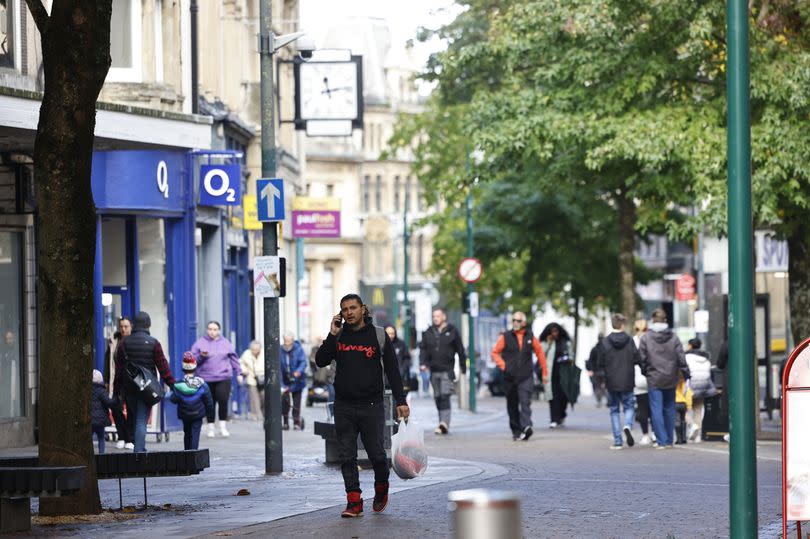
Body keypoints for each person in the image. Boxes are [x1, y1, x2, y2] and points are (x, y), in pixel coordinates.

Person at [315, 293, 409, 518]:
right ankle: (354, 502)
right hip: (344, 405)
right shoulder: (338, 336)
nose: (348, 313)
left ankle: (381, 487)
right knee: (347, 456)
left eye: (353, 308)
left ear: (363, 309)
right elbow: (321, 360)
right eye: (344, 309)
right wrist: (332, 334)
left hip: (372, 405)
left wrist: (401, 401)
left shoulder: (378, 335)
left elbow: (393, 371)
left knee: (377, 454)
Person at [113, 311, 176, 453]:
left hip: (129, 387)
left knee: (135, 417)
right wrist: (172, 384)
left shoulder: (124, 343)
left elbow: (119, 370)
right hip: (147, 388)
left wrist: (116, 391)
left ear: (134, 325)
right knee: (141, 419)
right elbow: (163, 367)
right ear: (148, 325)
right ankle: (139, 451)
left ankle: (139, 446)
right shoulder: (154, 343)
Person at [491, 311, 548, 441]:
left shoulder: (530, 337)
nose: (515, 323)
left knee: (525, 401)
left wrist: (544, 373)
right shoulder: (505, 336)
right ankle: (516, 430)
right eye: (514, 320)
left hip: (525, 376)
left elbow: (540, 354)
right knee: (512, 404)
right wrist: (503, 366)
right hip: (509, 376)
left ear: (524, 323)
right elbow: (495, 353)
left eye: (518, 321)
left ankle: (526, 426)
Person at [638, 308, 690, 449]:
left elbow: (641, 359)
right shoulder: (674, 337)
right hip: (671, 377)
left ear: (653, 320)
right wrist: (686, 374)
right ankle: (668, 439)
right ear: (666, 320)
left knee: (656, 409)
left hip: (654, 378)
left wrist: (646, 372)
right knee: (669, 408)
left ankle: (661, 440)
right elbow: (681, 357)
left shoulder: (646, 338)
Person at [595, 314, 640, 450]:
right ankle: (627, 424)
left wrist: (602, 379)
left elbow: (599, 363)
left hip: (611, 380)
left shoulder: (605, 342)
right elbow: (637, 358)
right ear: (622, 325)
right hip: (627, 379)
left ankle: (618, 441)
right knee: (629, 406)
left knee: (614, 410)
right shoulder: (630, 340)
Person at [419, 307, 467, 434]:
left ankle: (444, 423)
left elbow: (460, 349)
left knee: (445, 395)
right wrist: (422, 363)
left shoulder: (452, 331)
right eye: (434, 316)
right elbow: (423, 350)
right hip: (433, 370)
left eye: (438, 316)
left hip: (447, 370)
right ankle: (442, 423)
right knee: (438, 396)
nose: (435, 318)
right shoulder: (428, 332)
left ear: (444, 317)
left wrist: (463, 367)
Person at [191, 321, 242, 438]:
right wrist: (202, 356)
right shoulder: (200, 343)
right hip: (206, 377)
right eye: (210, 329)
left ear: (219, 330)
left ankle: (223, 426)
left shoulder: (226, 343)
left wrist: (239, 372)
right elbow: (193, 361)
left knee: (223, 401)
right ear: (207, 330)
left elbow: (234, 358)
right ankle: (211, 427)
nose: (212, 331)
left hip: (223, 377)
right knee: (210, 403)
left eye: (215, 329)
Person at [169, 353, 215, 450]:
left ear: (183, 368)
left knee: (187, 433)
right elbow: (209, 401)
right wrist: (210, 414)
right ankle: (193, 453)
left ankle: (187, 454)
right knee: (195, 434)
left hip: (184, 413)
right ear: (195, 367)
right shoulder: (202, 384)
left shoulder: (178, 385)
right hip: (198, 413)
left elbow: (173, 399)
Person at [540, 322, 575, 428]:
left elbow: (571, 355)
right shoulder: (546, 342)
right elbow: (541, 354)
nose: (554, 333)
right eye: (552, 332)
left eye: (556, 331)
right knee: (552, 397)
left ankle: (562, 415)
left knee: (564, 396)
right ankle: (554, 419)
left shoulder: (565, 342)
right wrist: (549, 343)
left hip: (564, 374)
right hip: (551, 374)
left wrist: (569, 360)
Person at [105, 317, 133, 449]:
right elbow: (107, 362)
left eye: (126, 326)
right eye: (121, 326)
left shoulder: (133, 340)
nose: (123, 329)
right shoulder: (114, 342)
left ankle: (128, 438)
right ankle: (122, 436)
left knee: (132, 410)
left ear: (131, 327)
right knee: (115, 408)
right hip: (117, 381)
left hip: (131, 382)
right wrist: (106, 380)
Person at [684, 337, 715, 443]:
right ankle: (698, 436)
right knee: (698, 410)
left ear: (690, 346)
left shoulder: (686, 357)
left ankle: (692, 425)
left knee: (685, 409)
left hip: (691, 386)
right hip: (704, 386)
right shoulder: (705, 358)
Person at [281, 332, 307, 430]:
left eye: (289, 342)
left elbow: (303, 362)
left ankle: (296, 422)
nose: (287, 344)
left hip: (297, 380)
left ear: (292, 341)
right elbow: (278, 365)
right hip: (285, 380)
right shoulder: (280, 350)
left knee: (296, 403)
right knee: (285, 402)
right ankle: (285, 422)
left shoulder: (298, 349)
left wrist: (298, 371)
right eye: (285, 341)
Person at [632, 319, 652, 445]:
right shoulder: (651, 339)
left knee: (642, 408)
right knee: (654, 407)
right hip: (652, 377)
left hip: (637, 379)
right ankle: (656, 433)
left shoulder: (632, 341)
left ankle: (645, 435)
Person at [91, 369, 115, 454]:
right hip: (100, 420)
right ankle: (101, 454)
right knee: (101, 438)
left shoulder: (88, 390)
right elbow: (108, 402)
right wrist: (115, 400)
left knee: (89, 438)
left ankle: (90, 453)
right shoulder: (101, 390)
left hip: (90, 420)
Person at [239, 340, 265, 420]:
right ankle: (257, 415)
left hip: (263, 378)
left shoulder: (264, 353)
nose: (254, 351)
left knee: (263, 397)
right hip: (252, 378)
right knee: (254, 398)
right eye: (253, 349)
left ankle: (264, 413)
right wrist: (244, 371)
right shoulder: (246, 353)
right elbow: (240, 363)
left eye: (256, 350)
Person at [386, 326, 413, 394]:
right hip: (385, 381)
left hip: (399, 379)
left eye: (392, 333)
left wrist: (402, 371)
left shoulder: (401, 344)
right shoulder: (380, 344)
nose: (391, 336)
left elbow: (407, 359)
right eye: (388, 333)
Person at [586, 334, 608, 408]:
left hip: (596, 371)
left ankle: (599, 401)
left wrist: (590, 369)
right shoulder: (606, 349)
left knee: (597, 386)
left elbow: (590, 360)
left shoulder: (594, 349)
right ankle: (607, 401)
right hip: (604, 371)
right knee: (605, 386)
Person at [674, 373, 693, 444]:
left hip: (675, 403)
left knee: (677, 421)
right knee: (683, 420)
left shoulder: (673, 383)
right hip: (683, 403)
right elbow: (688, 394)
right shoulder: (685, 383)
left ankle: (678, 439)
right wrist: (689, 405)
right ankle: (684, 438)